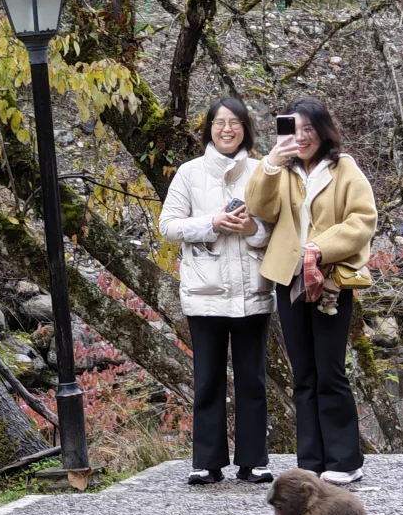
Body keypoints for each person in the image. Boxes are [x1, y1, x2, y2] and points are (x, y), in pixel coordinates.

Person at [244, 97, 377, 486]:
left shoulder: (344, 168)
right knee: (303, 372)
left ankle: (345, 460)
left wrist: (320, 248)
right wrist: (271, 162)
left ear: (322, 130)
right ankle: (311, 461)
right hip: (289, 278)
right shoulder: (281, 170)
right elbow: (259, 207)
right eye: (294, 129)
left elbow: (363, 220)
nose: (301, 137)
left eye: (308, 129)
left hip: (330, 278)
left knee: (330, 370)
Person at [160, 97, 274, 486]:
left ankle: (253, 461)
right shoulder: (189, 173)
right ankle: (206, 462)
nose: (227, 129)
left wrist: (252, 230)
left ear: (246, 129)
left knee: (252, 379)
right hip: (204, 289)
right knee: (207, 377)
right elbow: (168, 225)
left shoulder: (262, 172)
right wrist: (213, 222)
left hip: (253, 288)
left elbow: (280, 227)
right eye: (219, 122)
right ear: (209, 128)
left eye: (235, 122)